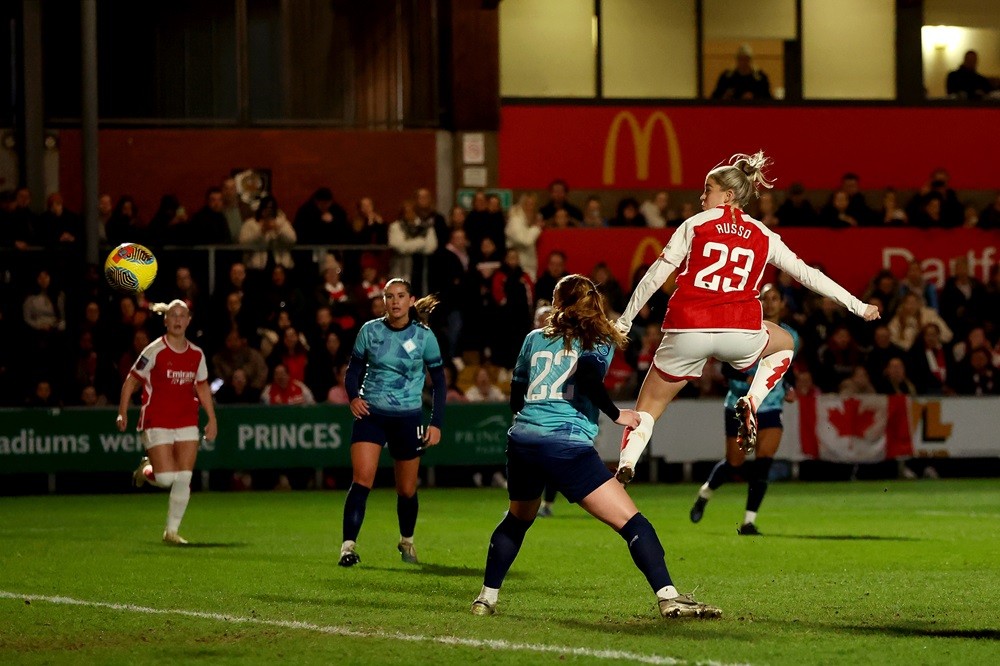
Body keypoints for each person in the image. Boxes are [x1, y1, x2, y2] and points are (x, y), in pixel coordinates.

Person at [614, 151, 879, 483]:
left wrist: (624, 321)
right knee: (785, 343)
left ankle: (628, 460)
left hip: (689, 328)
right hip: (740, 330)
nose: (701, 196)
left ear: (727, 195)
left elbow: (655, 275)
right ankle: (753, 400)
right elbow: (808, 275)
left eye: (707, 189)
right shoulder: (763, 234)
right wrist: (858, 305)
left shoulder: (695, 225)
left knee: (648, 407)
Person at [469, 275, 720, 619]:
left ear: (557, 304)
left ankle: (486, 598)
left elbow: (516, 397)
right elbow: (587, 378)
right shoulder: (597, 339)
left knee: (516, 520)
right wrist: (618, 415)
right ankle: (669, 596)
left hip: (524, 440)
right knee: (634, 524)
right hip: (566, 444)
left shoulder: (533, 339)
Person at [339, 278, 446, 568]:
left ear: (411, 301)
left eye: (400, 296)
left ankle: (407, 540)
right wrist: (353, 397)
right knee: (362, 480)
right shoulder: (369, 331)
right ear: (383, 300)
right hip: (372, 414)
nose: (394, 301)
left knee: (407, 490)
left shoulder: (425, 337)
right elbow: (354, 371)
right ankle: (348, 547)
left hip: (408, 418)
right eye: (389, 296)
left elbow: (439, 382)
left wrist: (435, 422)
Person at [689, 284, 799, 536]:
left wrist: (790, 386)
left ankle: (748, 522)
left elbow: (787, 367)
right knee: (734, 462)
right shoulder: (744, 328)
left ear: (782, 304)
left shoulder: (791, 334)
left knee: (763, 463)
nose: (770, 303)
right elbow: (725, 367)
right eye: (765, 298)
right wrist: (747, 379)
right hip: (738, 404)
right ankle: (705, 494)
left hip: (771, 404)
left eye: (775, 298)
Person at [118, 299, 218, 545]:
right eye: (172, 315)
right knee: (165, 479)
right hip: (157, 420)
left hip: (186, 420)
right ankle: (146, 469)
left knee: (184, 476)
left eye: (182, 315)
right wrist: (122, 412)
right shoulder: (154, 351)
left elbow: (203, 387)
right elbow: (131, 380)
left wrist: (212, 419)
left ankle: (171, 531)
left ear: (188, 321)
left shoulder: (196, 354)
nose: (177, 320)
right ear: (165, 320)